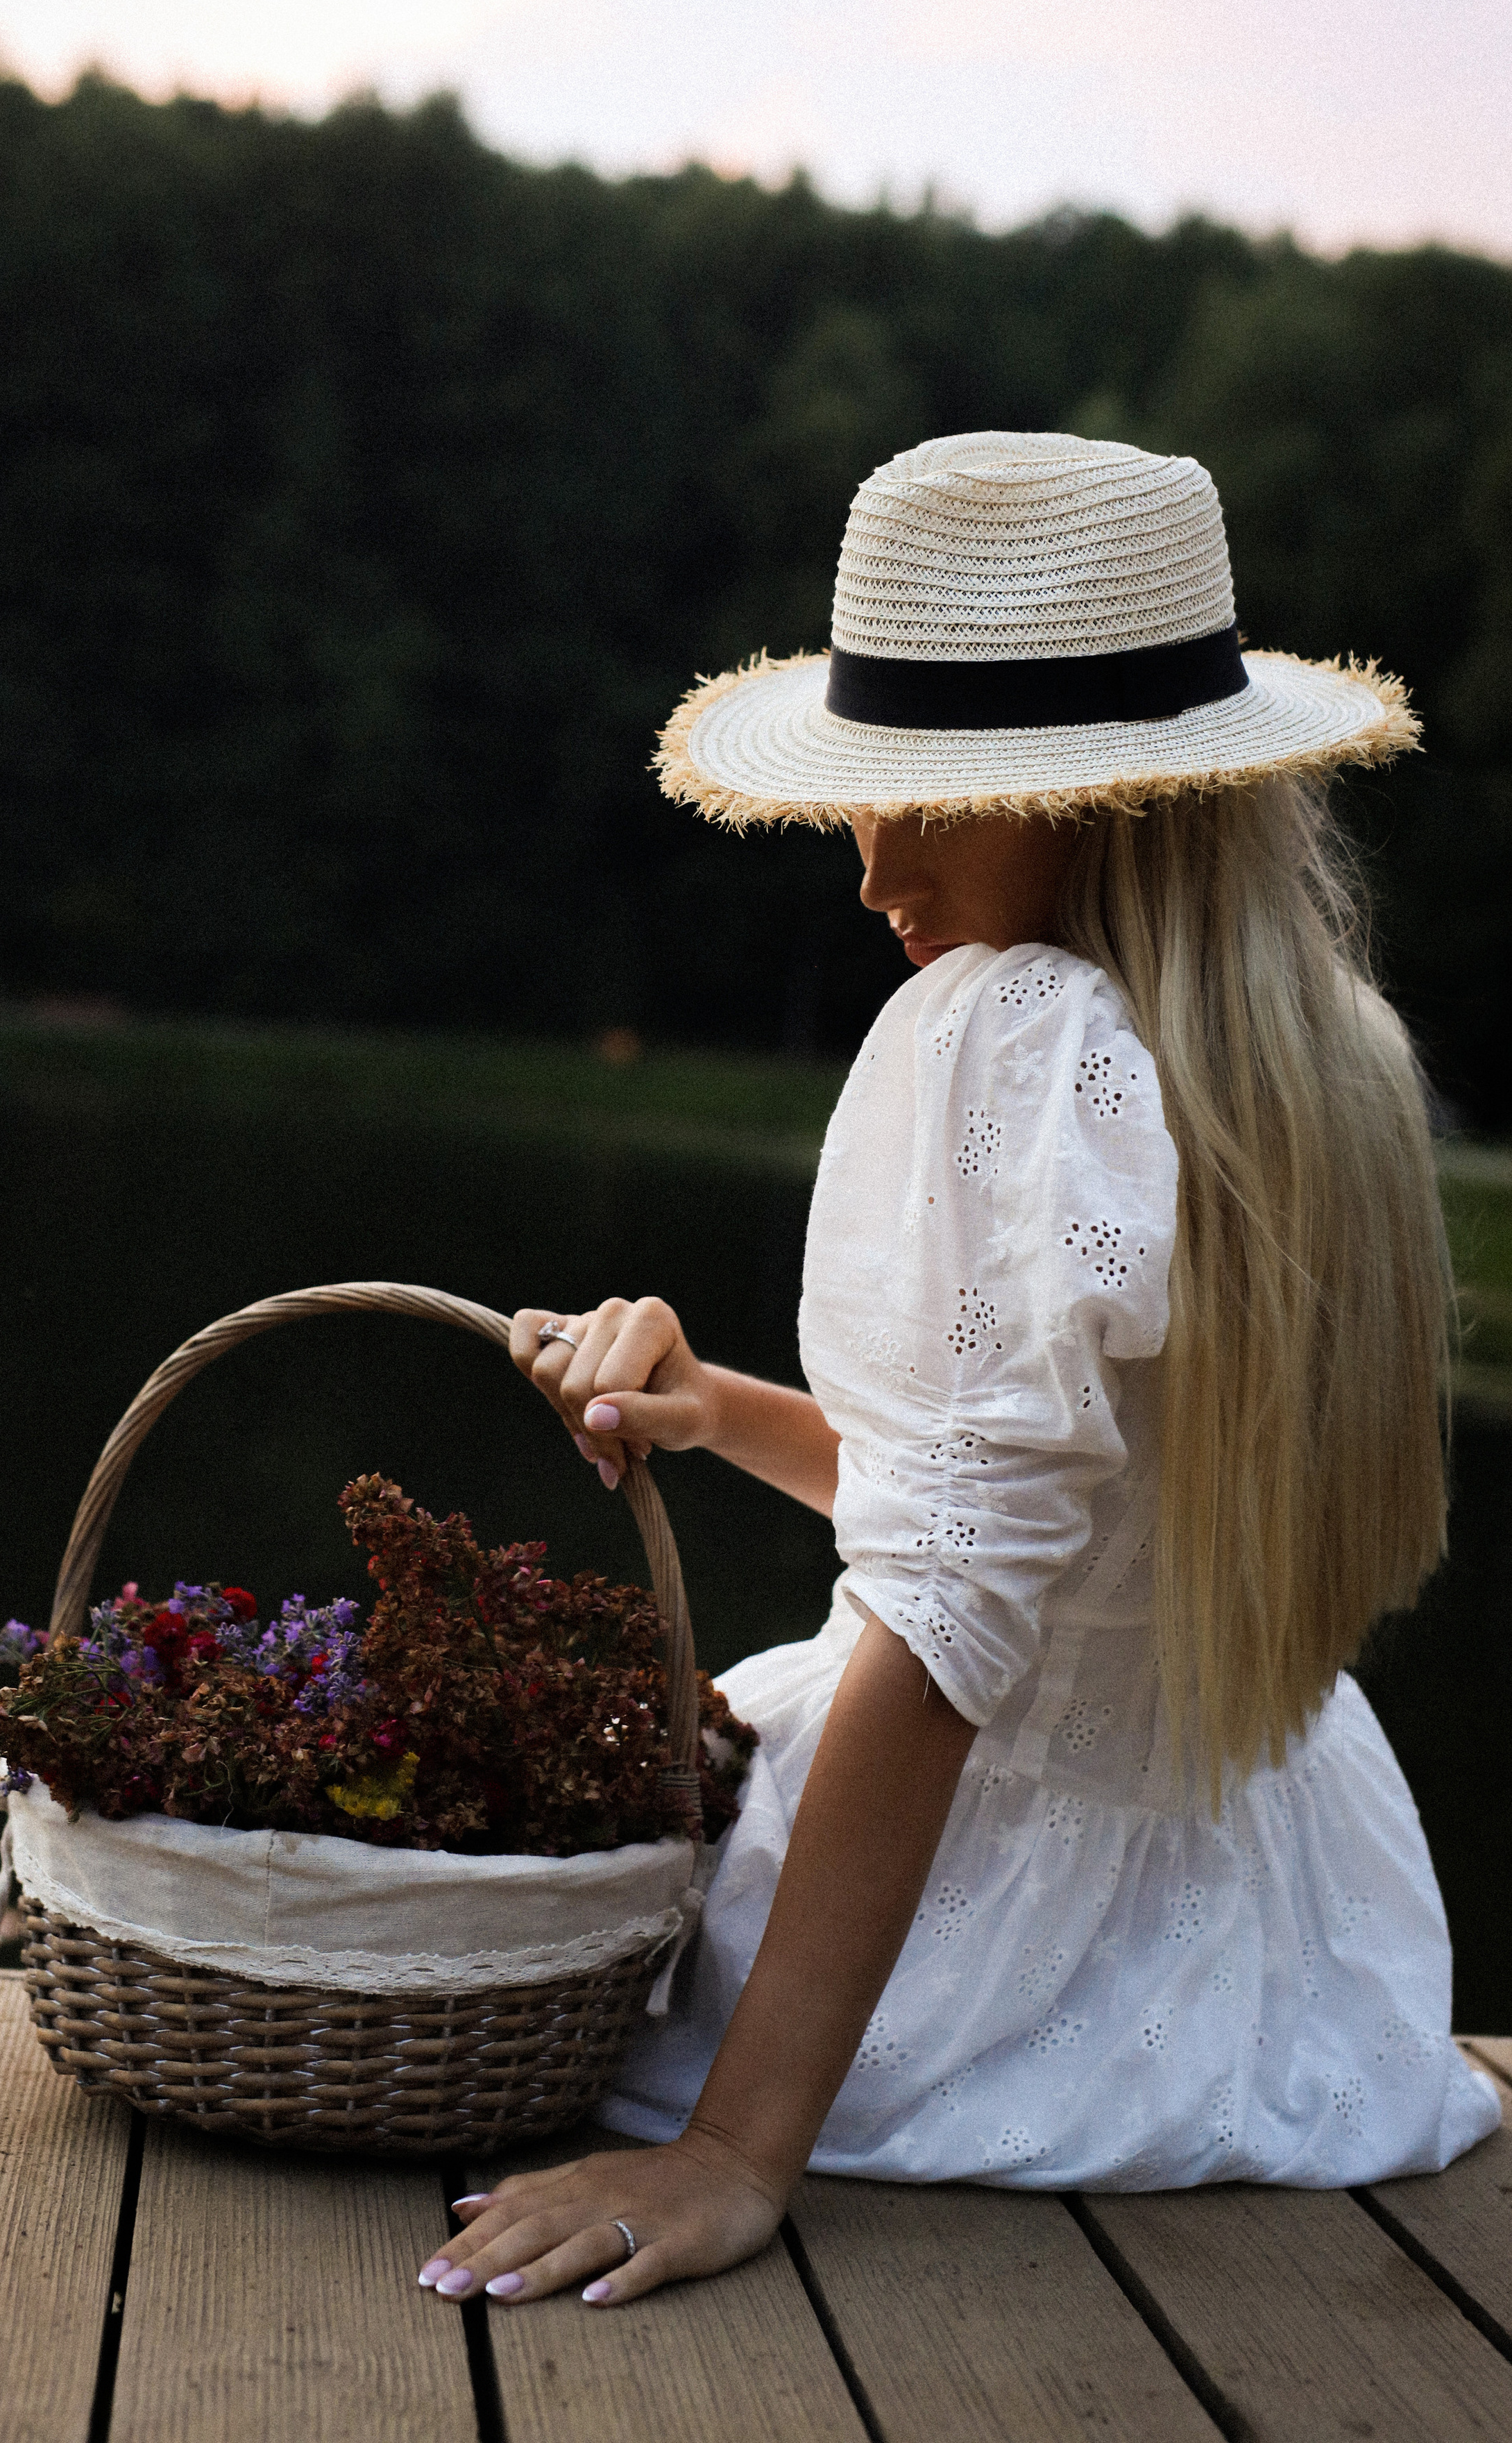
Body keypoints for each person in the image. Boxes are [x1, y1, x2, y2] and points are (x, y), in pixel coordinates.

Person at [416, 431, 1500, 2313]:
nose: (875, 868)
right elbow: (1062, 1537)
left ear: (1115, 806)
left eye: (941, 795)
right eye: (876, 790)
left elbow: (947, 1619)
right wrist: (725, 1414)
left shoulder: (1012, 1035)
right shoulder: (1313, 1062)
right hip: (1274, 1945)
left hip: (988, 1950)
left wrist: (737, 2149)